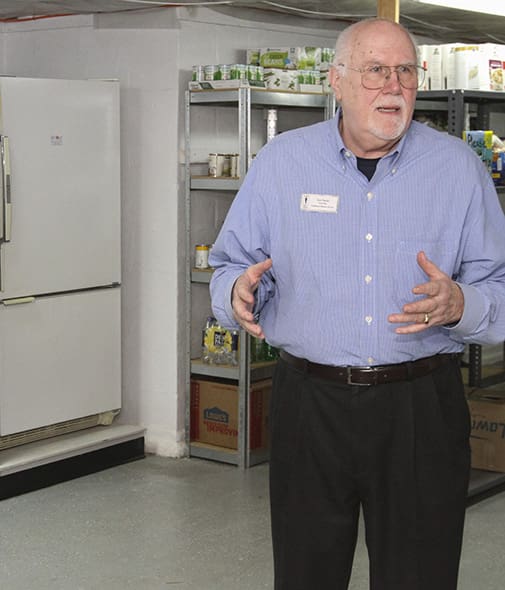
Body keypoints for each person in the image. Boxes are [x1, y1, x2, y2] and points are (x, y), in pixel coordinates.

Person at [209, 18, 505, 590]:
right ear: (336, 82)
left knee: (419, 574)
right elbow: (230, 265)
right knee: (306, 571)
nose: (393, 86)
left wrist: (460, 301)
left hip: (422, 407)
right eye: (375, 71)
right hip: (309, 406)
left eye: (405, 72)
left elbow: (499, 286)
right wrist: (237, 293)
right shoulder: (281, 164)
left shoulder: (458, 170)